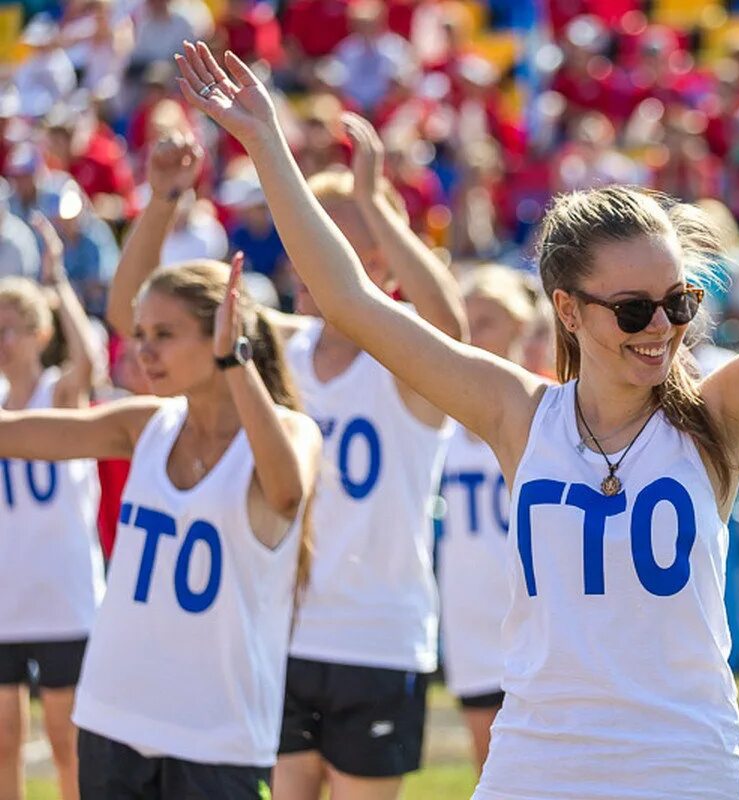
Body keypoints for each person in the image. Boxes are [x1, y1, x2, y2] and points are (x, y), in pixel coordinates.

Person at [174, 8, 739, 796]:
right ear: (568, 311)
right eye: (632, 310)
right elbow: (350, 299)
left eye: (679, 303)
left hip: (681, 767)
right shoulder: (519, 414)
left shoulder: (714, 420)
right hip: (536, 764)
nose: (660, 328)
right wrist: (266, 146)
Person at [106, 121, 466, 800]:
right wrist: (161, 203)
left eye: (338, 246)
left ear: (378, 260)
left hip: (376, 636)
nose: (313, 263)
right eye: (308, 242)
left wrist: (377, 203)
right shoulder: (277, 351)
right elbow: (134, 311)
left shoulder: (408, 366)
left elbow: (450, 328)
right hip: (276, 626)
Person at [4, 147, 321, 793]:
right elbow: (11, 435)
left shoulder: (289, 430)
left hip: (218, 732)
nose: (141, 349)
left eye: (163, 335)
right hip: (113, 714)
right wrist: (161, 201)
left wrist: (236, 366)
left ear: (223, 337)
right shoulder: (148, 423)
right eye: (141, 336)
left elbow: (286, 491)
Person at [0, 216, 105, 800]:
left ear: (40, 335)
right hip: (6, 597)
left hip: (63, 597)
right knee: (3, 739)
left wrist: (58, 280)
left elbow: (89, 359)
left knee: (68, 740)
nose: (3, 339)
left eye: (13, 328)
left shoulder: (59, 395)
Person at [437, 265, 547, 772]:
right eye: (466, 320)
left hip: (535, 608)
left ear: (520, 327)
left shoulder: (550, 412)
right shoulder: (438, 416)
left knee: (555, 762)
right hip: (470, 611)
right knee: (492, 766)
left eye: (486, 320)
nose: (472, 333)